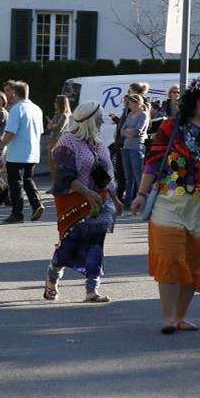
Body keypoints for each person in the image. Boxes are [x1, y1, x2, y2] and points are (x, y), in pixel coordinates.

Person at [130, 79, 200, 334]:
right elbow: (154, 163)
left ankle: (180, 316)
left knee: (194, 263)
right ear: (193, 102)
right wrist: (141, 194)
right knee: (169, 257)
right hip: (170, 201)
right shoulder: (171, 126)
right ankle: (168, 318)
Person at [46, 101, 121, 303]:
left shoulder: (98, 144)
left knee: (96, 244)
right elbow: (64, 176)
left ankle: (91, 290)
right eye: (99, 117)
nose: (101, 121)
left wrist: (115, 198)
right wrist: (86, 192)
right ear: (88, 119)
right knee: (68, 246)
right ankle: (52, 278)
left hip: (98, 205)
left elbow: (106, 177)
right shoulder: (67, 142)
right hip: (73, 202)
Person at [0, 80, 44, 223]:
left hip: (17, 152)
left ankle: (17, 213)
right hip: (33, 151)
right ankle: (36, 204)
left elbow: (11, 132)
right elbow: (41, 131)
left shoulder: (16, 108)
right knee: (27, 179)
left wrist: (0, 146)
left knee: (15, 183)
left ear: (14, 93)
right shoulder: (37, 109)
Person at [119, 92, 149, 206]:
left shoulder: (143, 115)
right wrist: (129, 132)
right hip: (126, 147)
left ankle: (141, 202)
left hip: (136, 148)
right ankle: (128, 202)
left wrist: (129, 131)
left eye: (130, 103)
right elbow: (122, 130)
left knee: (138, 177)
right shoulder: (130, 115)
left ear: (137, 103)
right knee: (128, 178)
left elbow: (138, 131)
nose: (129, 105)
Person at [46, 94, 71, 188]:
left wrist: (52, 124)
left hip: (58, 141)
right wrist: (52, 125)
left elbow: (58, 128)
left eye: (56, 102)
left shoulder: (65, 115)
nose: (54, 104)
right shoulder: (57, 115)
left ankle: (58, 185)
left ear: (61, 103)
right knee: (51, 164)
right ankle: (54, 185)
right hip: (53, 140)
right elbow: (49, 127)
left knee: (56, 164)